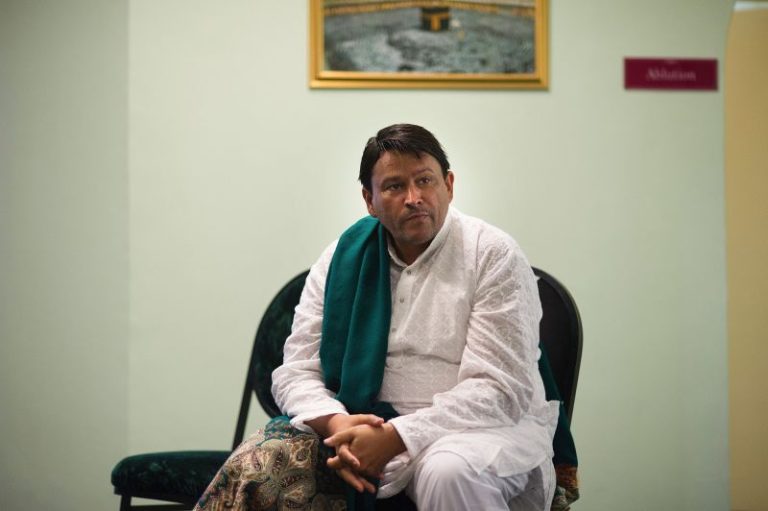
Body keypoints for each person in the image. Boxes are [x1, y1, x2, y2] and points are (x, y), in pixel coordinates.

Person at [195, 124, 577, 511]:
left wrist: (396, 436)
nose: (414, 198)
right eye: (394, 186)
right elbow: (295, 371)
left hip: (476, 432)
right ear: (370, 200)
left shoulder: (492, 254)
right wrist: (337, 424)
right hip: (357, 430)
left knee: (448, 472)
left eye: (425, 180)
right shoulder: (340, 258)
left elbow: (498, 389)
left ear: (449, 185)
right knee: (261, 464)